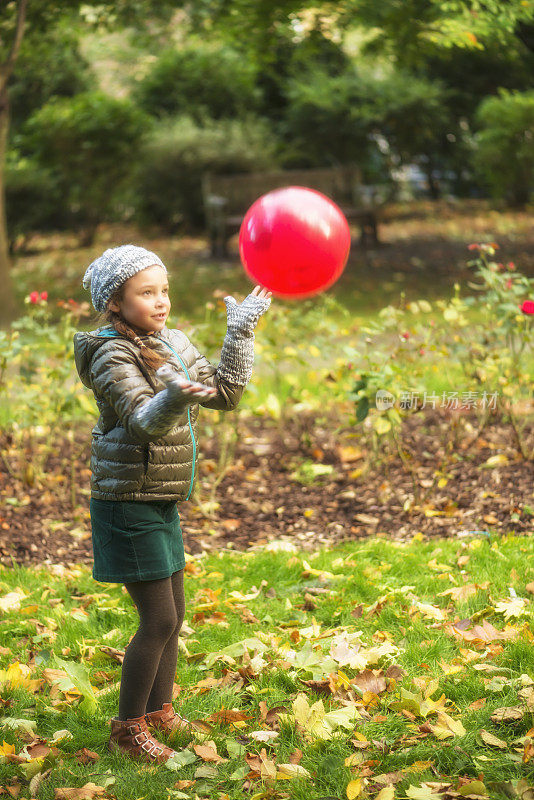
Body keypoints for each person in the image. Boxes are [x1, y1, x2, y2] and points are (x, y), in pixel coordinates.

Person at [73, 244, 271, 765]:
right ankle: (128, 727)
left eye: (164, 290)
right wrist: (175, 397)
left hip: (160, 497)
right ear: (115, 302)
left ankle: (160, 709)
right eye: (146, 293)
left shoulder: (173, 340)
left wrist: (239, 335)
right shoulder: (108, 352)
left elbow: (225, 394)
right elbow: (141, 418)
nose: (161, 302)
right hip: (126, 500)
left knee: (176, 613)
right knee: (158, 619)